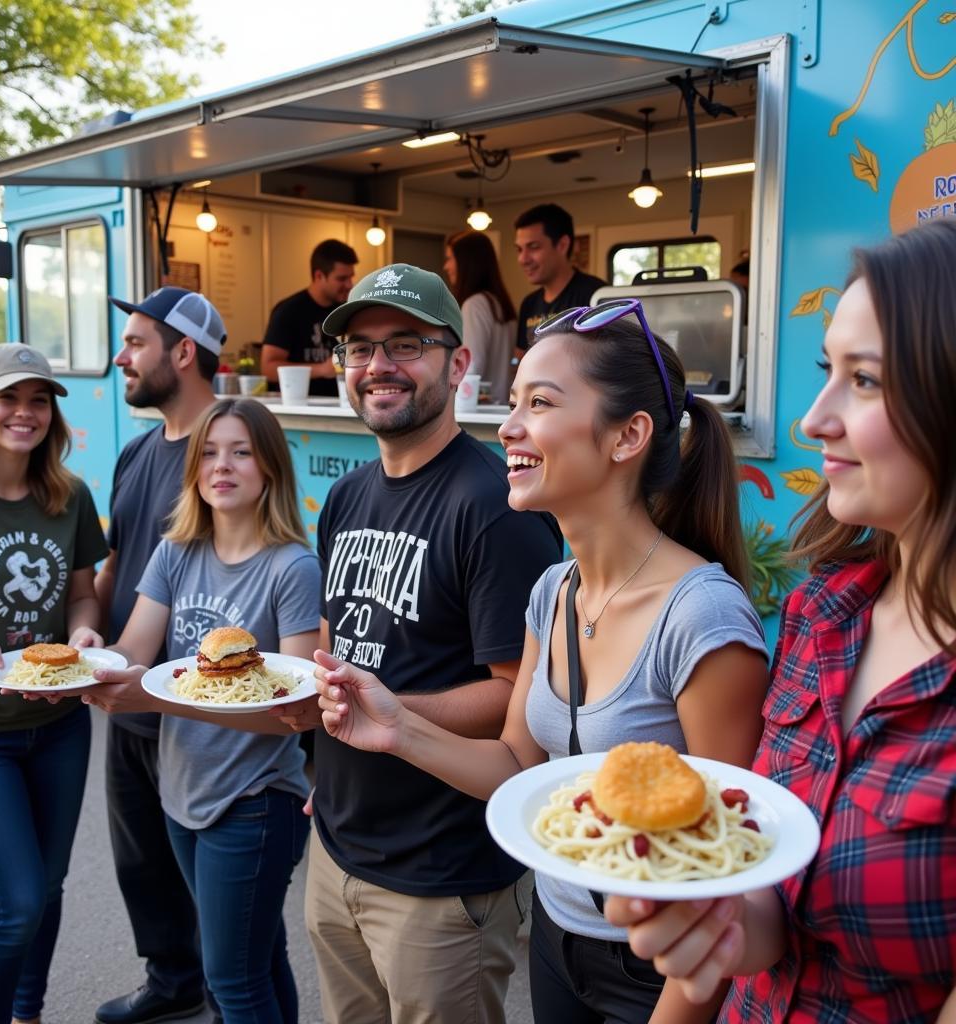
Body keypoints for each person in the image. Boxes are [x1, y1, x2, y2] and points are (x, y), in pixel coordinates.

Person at [314, 293, 770, 1022]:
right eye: (515, 401)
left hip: (659, 968)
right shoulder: (554, 592)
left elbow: (733, 865)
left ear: (628, 437)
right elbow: (518, 769)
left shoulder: (703, 619)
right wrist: (396, 726)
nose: (511, 427)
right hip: (558, 937)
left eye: (541, 403)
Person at [605, 219, 956, 1023]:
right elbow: (773, 904)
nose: (813, 420)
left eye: (864, 381)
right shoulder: (820, 614)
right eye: (826, 370)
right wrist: (723, 922)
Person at [301, 262, 563, 1023]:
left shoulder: (494, 506)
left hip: (441, 876)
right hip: (337, 845)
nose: (378, 366)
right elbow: (338, 645)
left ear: (457, 364)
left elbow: (521, 699)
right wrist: (328, 749)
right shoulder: (347, 494)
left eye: (405, 344)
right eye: (359, 348)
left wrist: (387, 715)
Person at [75, 398, 319, 1024]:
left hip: (255, 799)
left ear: (269, 467)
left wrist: (158, 694)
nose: (222, 465)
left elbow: (298, 707)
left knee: (230, 982)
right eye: (209, 452)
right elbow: (136, 650)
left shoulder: (292, 567)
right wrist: (91, 663)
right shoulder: (176, 551)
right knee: (258, 959)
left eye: (241, 451)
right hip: (180, 787)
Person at [0, 345, 107, 1024]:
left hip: (60, 725)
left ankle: (28, 1014)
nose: (25, 414)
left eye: (39, 401)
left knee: (50, 886)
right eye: (10, 399)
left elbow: (85, 594)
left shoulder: (70, 495)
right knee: (17, 903)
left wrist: (86, 632)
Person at [94, 286, 226, 1024]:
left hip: (197, 704)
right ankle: (172, 980)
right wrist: (87, 640)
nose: (122, 356)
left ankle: (222, 993)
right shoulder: (137, 451)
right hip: (126, 692)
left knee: (215, 873)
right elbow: (116, 565)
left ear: (183, 352)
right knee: (141, 859)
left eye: (137, 341)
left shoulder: (228, 446)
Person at [260, 239, 358, 397]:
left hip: (342, 406)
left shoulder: (346, 310)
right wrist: (322, 370)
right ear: (319, 276)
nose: (349, 284)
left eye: (350, 277)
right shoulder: (288, 311)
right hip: (299, 409)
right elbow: (268, 369)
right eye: (341, 279)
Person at [513, 203, 607, 355]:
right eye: (519, 249)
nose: (523, 259)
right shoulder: (529, 303)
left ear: (562, 245)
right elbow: (521, 356)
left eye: (534, 247)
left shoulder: (596, 295)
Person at [443, 229, 517, 404]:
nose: (446, 266)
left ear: (466, 263)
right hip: (502, 407)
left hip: (479, 411)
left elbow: (471, 367)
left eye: (450, 259)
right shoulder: (500, 303)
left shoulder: (475, 304)